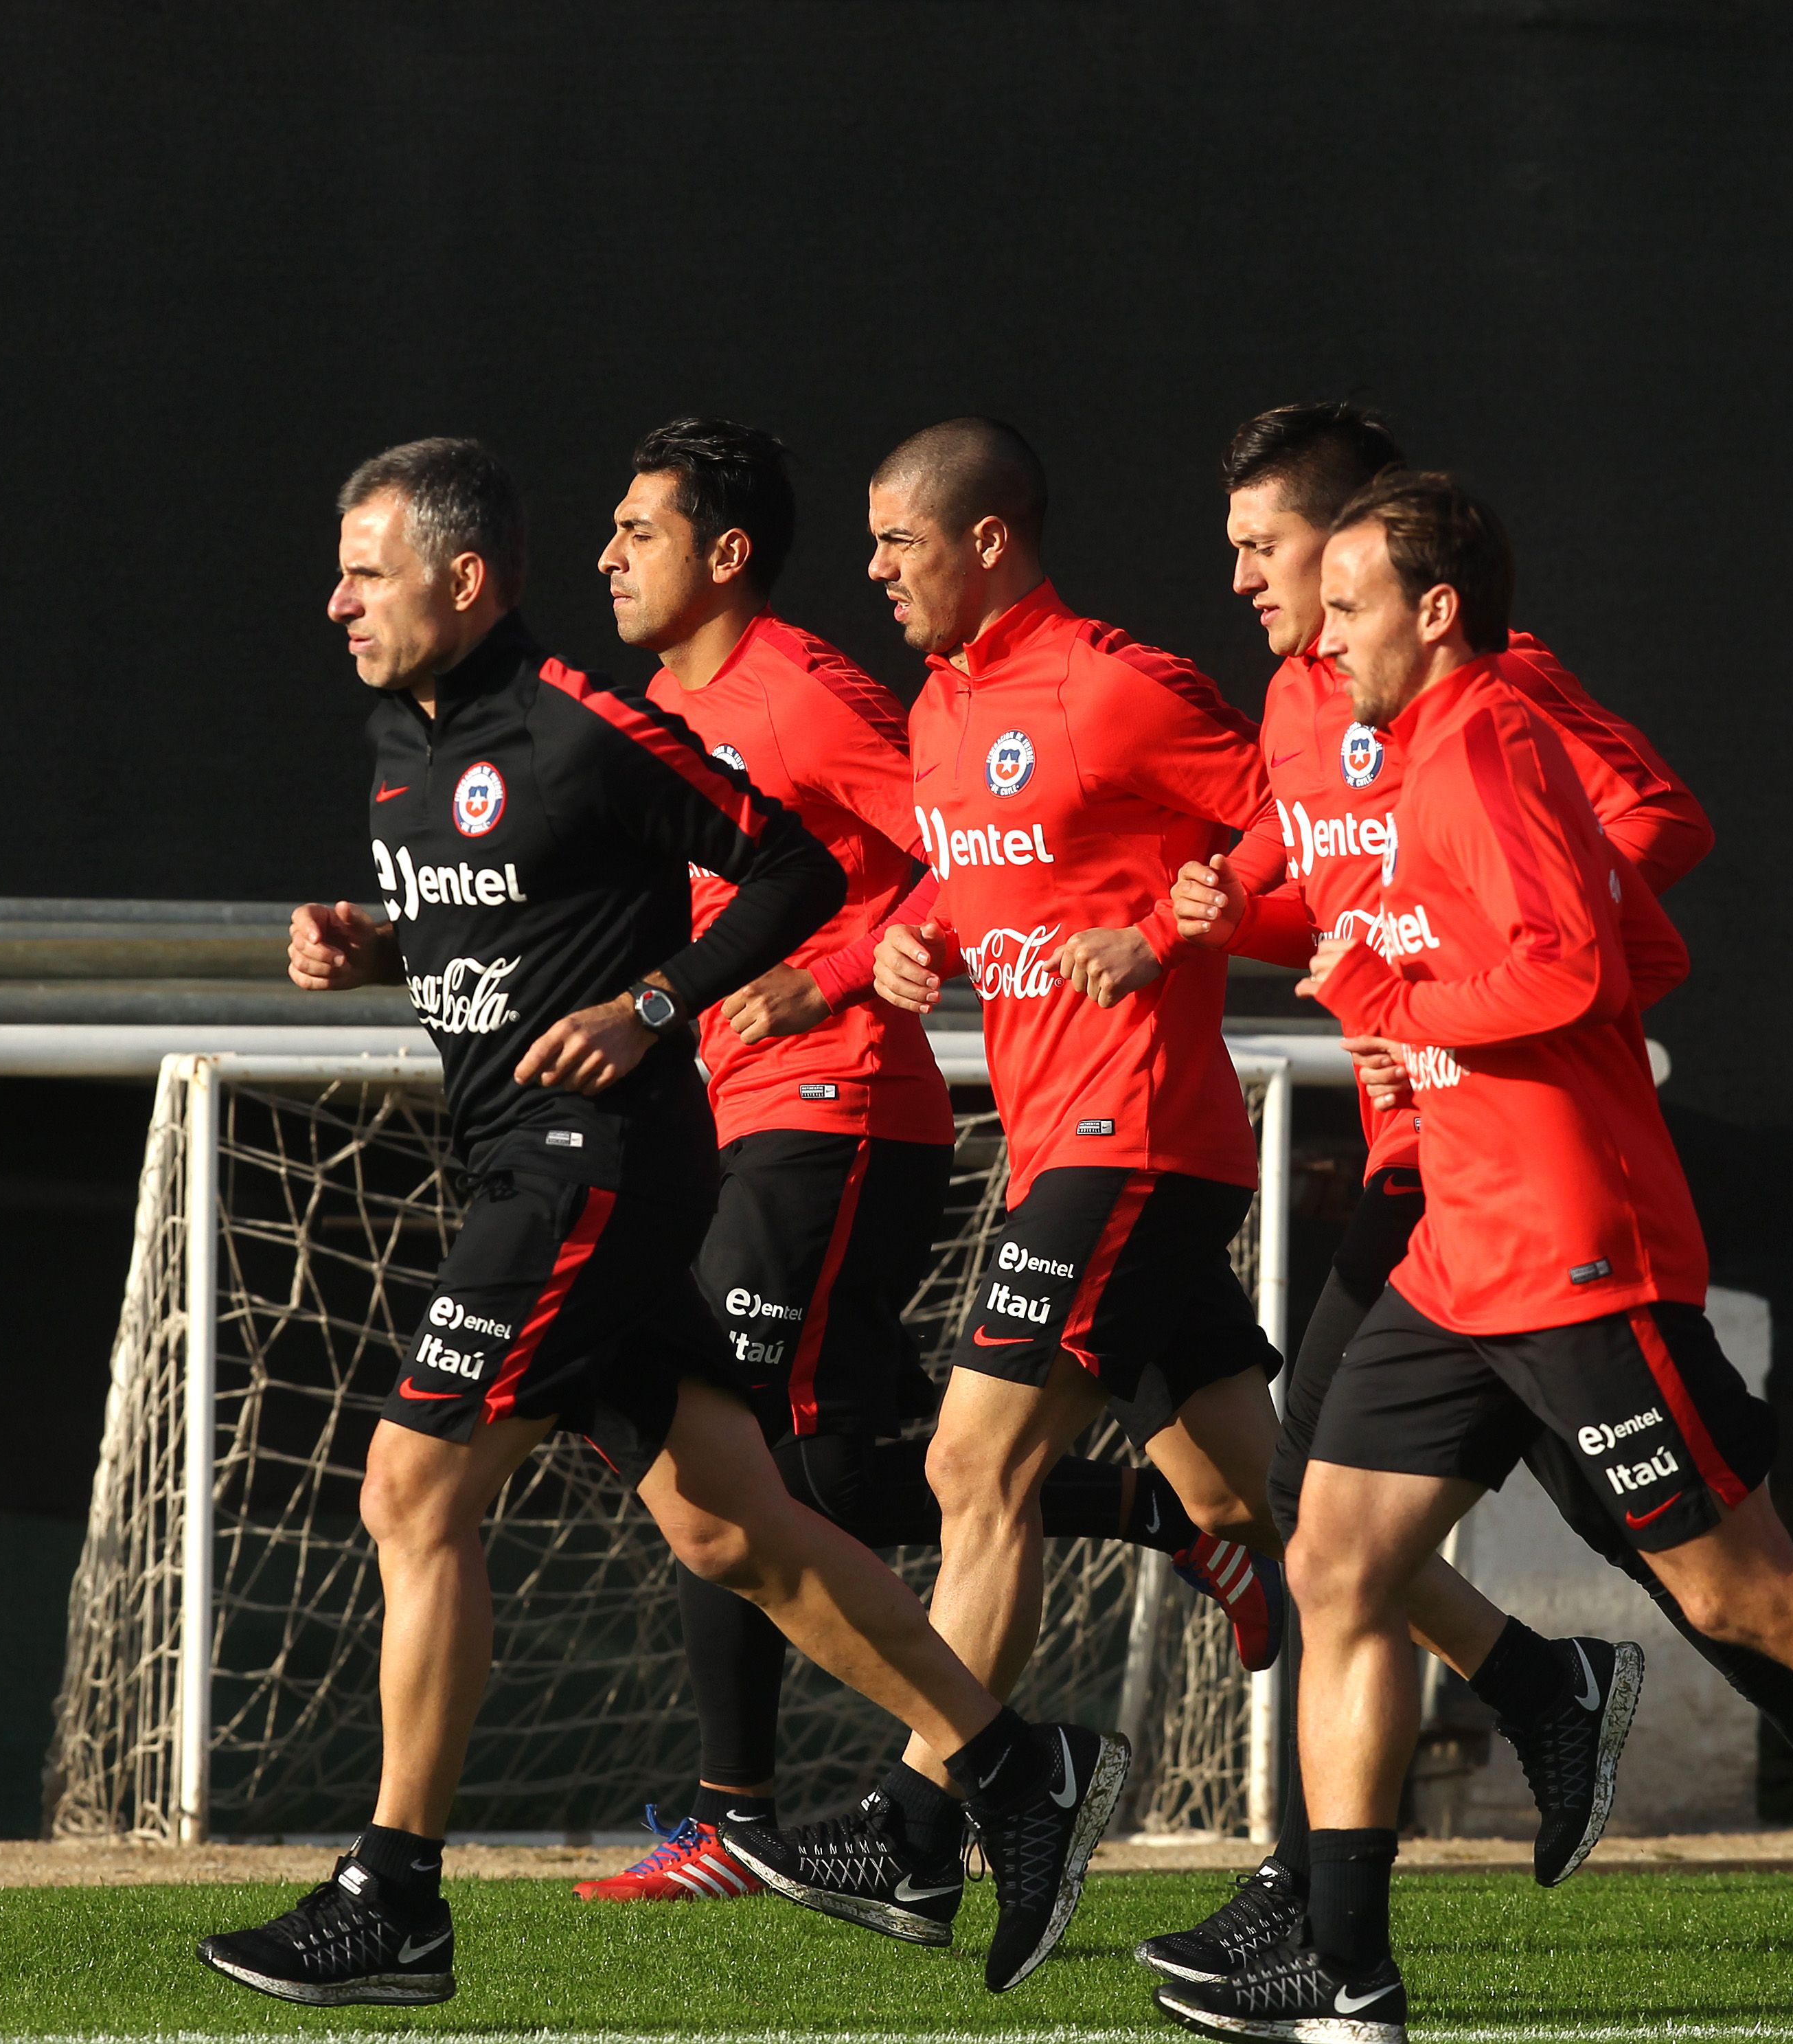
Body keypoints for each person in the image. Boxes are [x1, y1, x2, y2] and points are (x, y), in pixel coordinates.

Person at [1161, 470, 1793, 2044]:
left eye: (1347, 608)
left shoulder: (1484, 737)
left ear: (1437, 609)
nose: (1324, 641)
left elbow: (1576, 967)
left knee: (1748, 1594)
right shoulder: (1415, 755)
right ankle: (1341, 1964)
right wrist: (1386, 975)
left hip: (1568, 1248)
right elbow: (1625, 948)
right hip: (1454, 1251)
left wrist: (1404, 1008)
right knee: (1335, 1559)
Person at [197, 438, 1124, 2007]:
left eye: (366, 570)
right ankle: (1011, 1769)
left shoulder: (583, 719)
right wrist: (376, 944)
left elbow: (793, 867)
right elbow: (503, 911)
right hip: (524, 1158)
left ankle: (395, 1899)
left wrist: (653, 1005)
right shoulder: (394, 742)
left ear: (463, 577)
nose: (338, 600)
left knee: (412, 1491)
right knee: (731, 1524)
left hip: (595, 1164)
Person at [556, 421, 1281, 1910]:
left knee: (871, 1469)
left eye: (902, 540)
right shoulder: (939, 701)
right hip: (1017, 1129)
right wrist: (915, 937)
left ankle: (896, 1817)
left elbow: (1293, 822)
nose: (877, 566)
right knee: (1297, 1513)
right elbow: (956, 860)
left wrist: (1174, 935)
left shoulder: (897, 697)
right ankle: (1517, 1679)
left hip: (931, 1119)